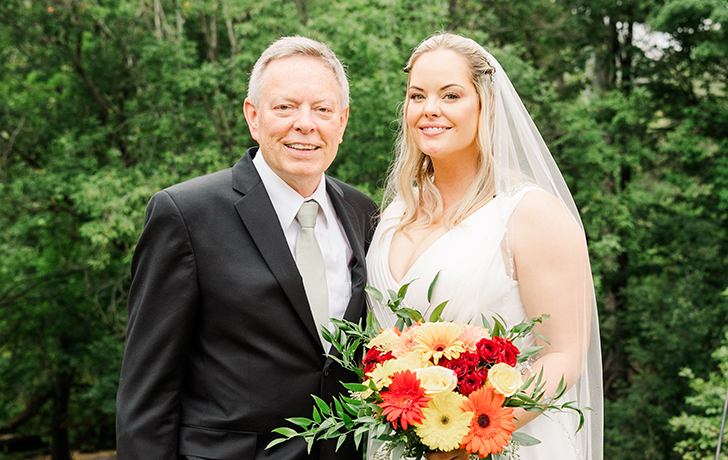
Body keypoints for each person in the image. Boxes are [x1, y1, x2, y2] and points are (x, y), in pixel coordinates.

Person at [116, 36, 378, 460]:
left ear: (343, 122)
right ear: (253, 117)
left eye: (323, 109)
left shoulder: (365, 213)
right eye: (285, 107)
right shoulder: (185, 215)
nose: (306, 123)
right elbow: (147, 390)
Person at [366, 33, 603, 460]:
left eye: (450, 95)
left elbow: (565, 354)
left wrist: (469, 433)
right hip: (399, 445)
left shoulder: (531, 213)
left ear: (486, 104)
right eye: (416, 95)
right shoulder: (397, 211)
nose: (429, 109)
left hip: (498, 443)